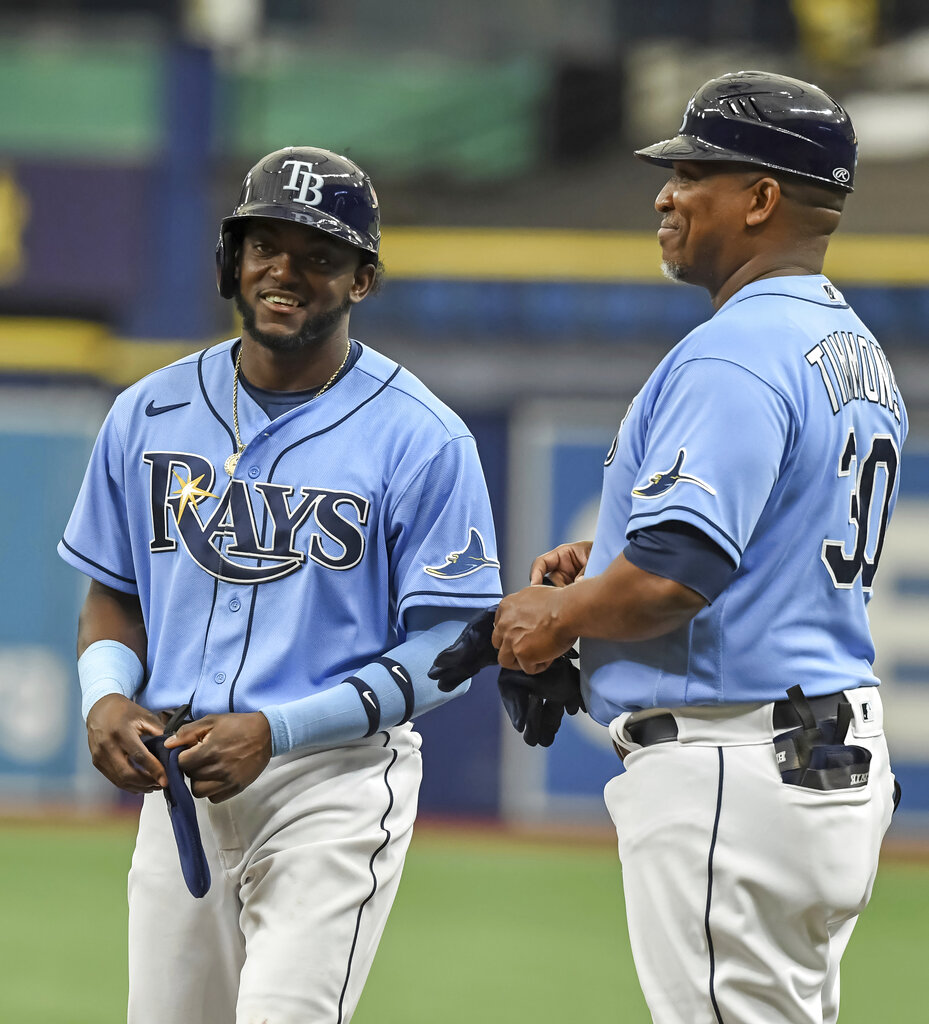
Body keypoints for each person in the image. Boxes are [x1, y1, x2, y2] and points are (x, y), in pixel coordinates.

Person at [437, 71, 906, 1023]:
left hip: (736, 768)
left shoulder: (732, 353)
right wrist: (608, 554)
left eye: (692, 171)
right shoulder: (849, 346)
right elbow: (771, 538)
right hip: (819, 763)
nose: (662, 194)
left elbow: (671, 582)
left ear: (760, 198)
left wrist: (556, 617)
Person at [58, 146, 502, 1024]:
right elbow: (115, 594)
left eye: (320, 256)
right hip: (181, 784)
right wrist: (105, 697)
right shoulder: (147, 410)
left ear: (362, 280)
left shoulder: (422, 438)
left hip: (330, 782)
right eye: (265, 246)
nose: (284, 273)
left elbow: (453, 646)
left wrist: (279, 728)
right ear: (232, 259)